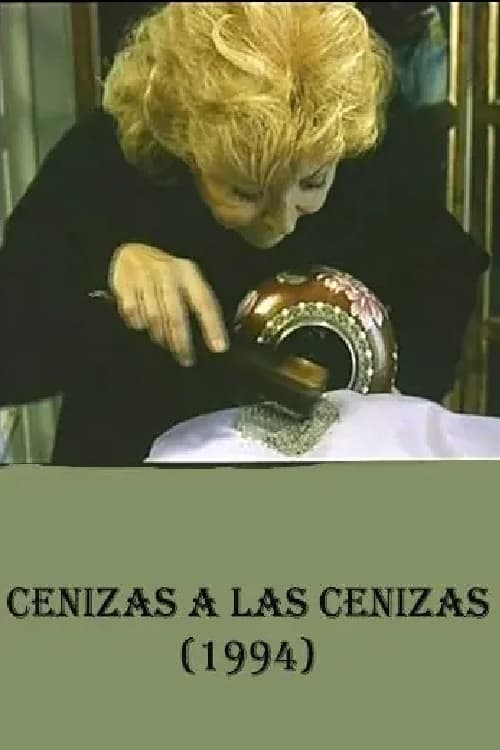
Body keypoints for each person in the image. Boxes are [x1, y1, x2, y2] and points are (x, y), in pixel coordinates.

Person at [0, 2, 489, 466]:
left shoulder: (359, 142)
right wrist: (104, 267)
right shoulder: (110, 156)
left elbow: (444, 275)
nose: (281, 221)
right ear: (184, 142)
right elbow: (13, 363)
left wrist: (397, 403)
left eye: (312, 183)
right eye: (245, 191)